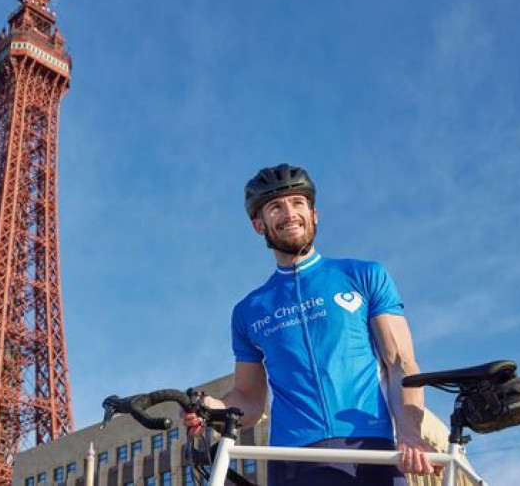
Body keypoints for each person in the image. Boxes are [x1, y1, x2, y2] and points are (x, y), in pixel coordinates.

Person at [181, 163, 437, 485]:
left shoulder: (363, 275)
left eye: (297, 203)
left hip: (370, 448)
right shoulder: (248, 310)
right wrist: (209, 408)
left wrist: (411, 432)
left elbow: (400, 363)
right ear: (259, 225)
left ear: (314, 213)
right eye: (275, 207)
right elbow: (248, 400)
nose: (289, 213)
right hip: (293, 459)